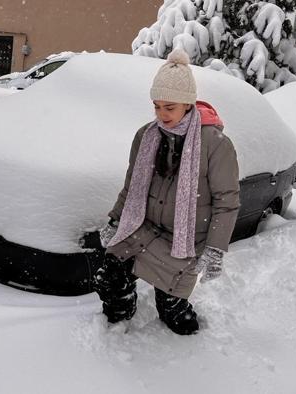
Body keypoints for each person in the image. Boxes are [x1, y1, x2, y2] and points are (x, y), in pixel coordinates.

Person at [95, 48, 240, 335]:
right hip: (144, 228)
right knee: (109, 275)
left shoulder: (215, 144)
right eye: (157, 106)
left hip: (184, 240)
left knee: (175, 315)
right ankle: (119, 319)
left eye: (169, 107)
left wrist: (214, 248)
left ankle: (177, 315)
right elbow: (132, 186)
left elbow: (227, 202)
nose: (162, 115)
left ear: (188, 104)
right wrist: (115, 220)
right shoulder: (146, 136)